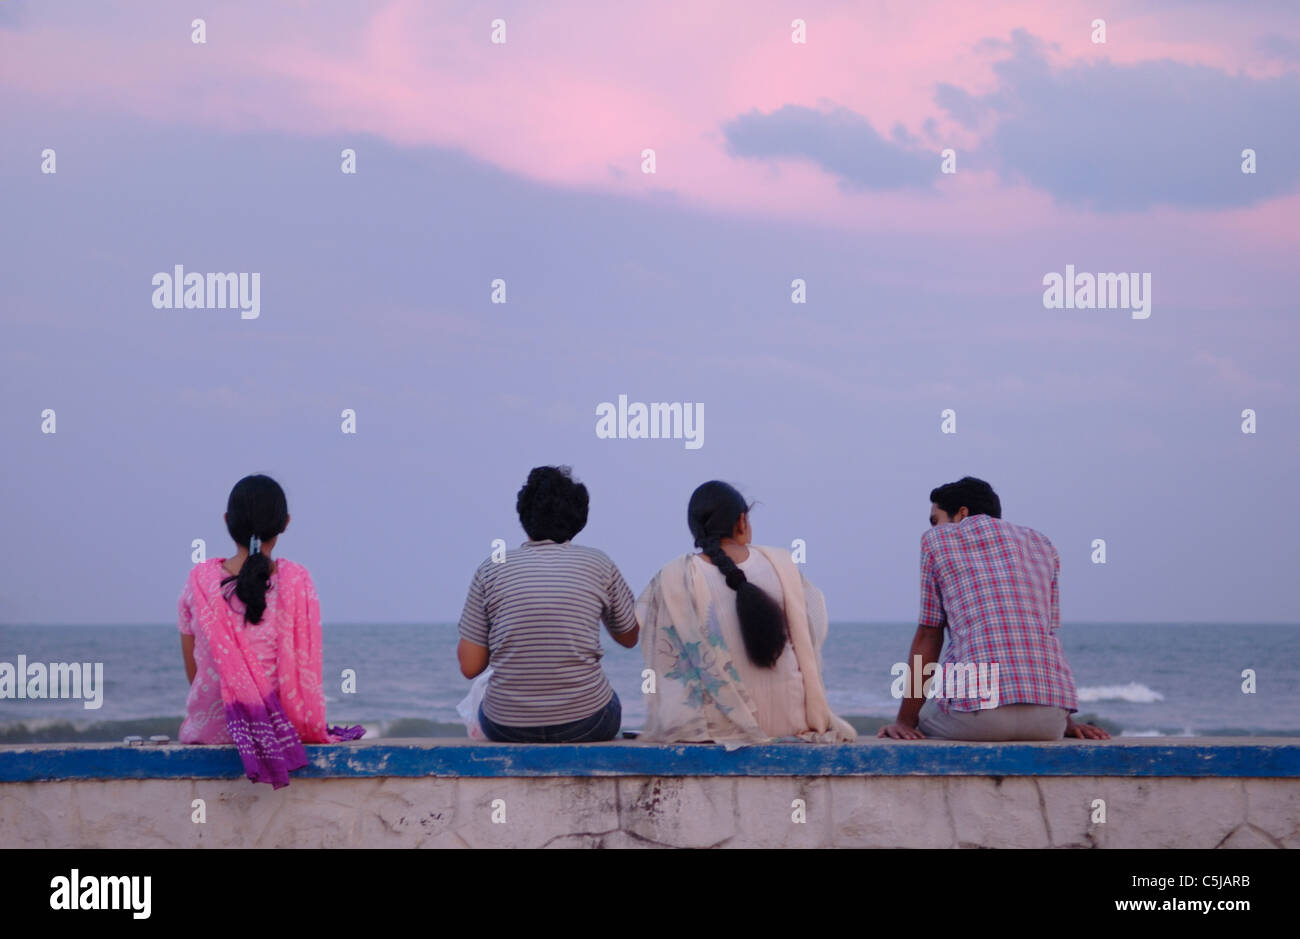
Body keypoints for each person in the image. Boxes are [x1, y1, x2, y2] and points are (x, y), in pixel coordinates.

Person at [878, 476, 1109, 742]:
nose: (933, 526)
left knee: (927, 714)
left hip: (978, 720)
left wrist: (905, 721)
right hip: (1049, 723)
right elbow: (1044, 635)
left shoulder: (938, 540)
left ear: (962, 514)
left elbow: (929, 635)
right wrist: (1065, 722)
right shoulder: (1041, 543)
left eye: (935, 518)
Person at [636, 480, 856, 744]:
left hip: (719, 730)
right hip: (792, 721)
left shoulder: (675, 577)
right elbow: (812, 631)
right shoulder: (781, 564)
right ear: (742, 522)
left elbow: (660, 647)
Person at [178, 474, 363, 789]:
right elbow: (307, 666)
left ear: (227, 521)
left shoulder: (199, 582)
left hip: (211, 732)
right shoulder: (298, 581)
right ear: (285, 523)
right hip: (286, 728)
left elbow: (195, 673)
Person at [456, 466, 639, 742]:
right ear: (579, 520)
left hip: (506, 726)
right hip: (588, 723)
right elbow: (629, 637)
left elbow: (470, 667)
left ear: (523, 516)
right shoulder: (598, 563)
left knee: (483, 700)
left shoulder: (492, 568)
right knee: (608, 700)